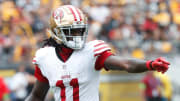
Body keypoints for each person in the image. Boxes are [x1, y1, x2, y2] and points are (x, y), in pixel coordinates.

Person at [25, 5, 170, 101]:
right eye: (72, 31)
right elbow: (37, 96)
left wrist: (149, 64)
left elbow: (126, 64)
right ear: (57, 32)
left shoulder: (92, 51)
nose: (77, 35)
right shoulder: (45, 57)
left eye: (80, 30)